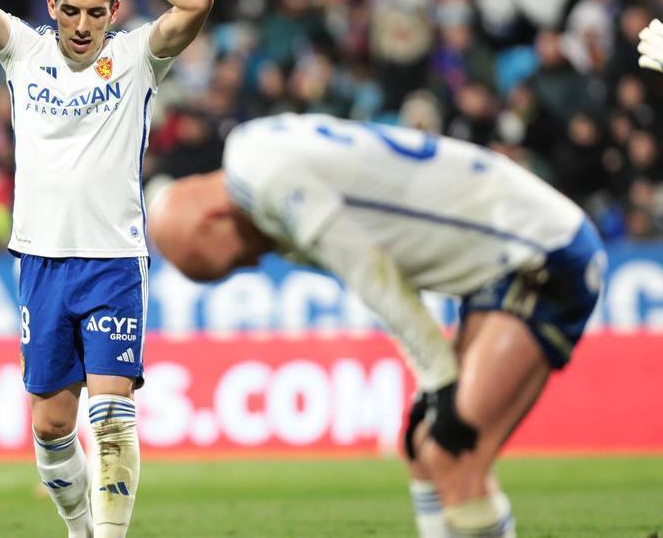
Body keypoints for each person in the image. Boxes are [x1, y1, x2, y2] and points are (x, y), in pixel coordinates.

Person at [149, 113, 606, 538]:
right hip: (506, 256)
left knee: (453, 457)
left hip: (538, 252)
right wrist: (434, 384)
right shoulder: (255, 143)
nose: (251, 263)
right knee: (424, 452)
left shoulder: (268, 182)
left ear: (213, 219)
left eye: (235, 261)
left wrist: (439, 377)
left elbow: (372, 271)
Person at [0, 0, 213, 538]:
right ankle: (78, 526)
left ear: (114, 12)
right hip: (41, 260)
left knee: (113, 415)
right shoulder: (22, 51)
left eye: (97, 12)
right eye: (71, 10)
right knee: (49, 424)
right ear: (51, 6)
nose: (83, 25)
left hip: (114, 260)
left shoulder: (139, 55)